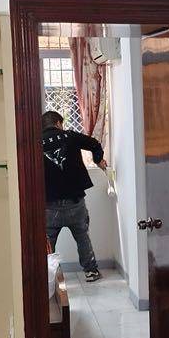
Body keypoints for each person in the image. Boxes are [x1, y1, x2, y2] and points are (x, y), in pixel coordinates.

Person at [42, 110, 108, 282]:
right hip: (75, 202)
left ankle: (46, 276)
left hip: (49, 204)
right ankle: (91, 271)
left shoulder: (37, 142)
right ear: (58, 123)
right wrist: (98, 160)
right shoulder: (69, 136)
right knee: (82, 237)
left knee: (48, 243)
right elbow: (94, 143)